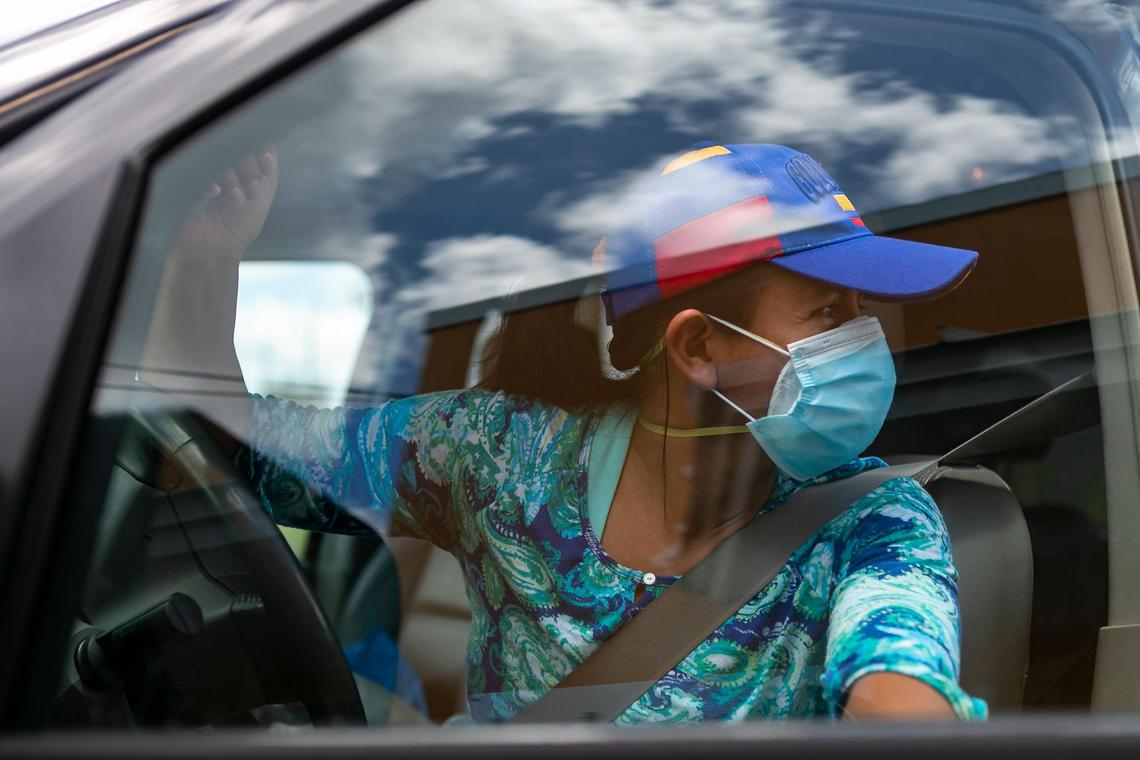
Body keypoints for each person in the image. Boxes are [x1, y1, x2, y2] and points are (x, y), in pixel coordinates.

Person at [142, 141, 986, 723]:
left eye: (862, 313)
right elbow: (240, 448)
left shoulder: (873, 522)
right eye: (829, 312)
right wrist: (207, 259)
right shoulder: (500, 459)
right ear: (698, 347)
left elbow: (896, 686)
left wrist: (906, 705)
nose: (866, 340)